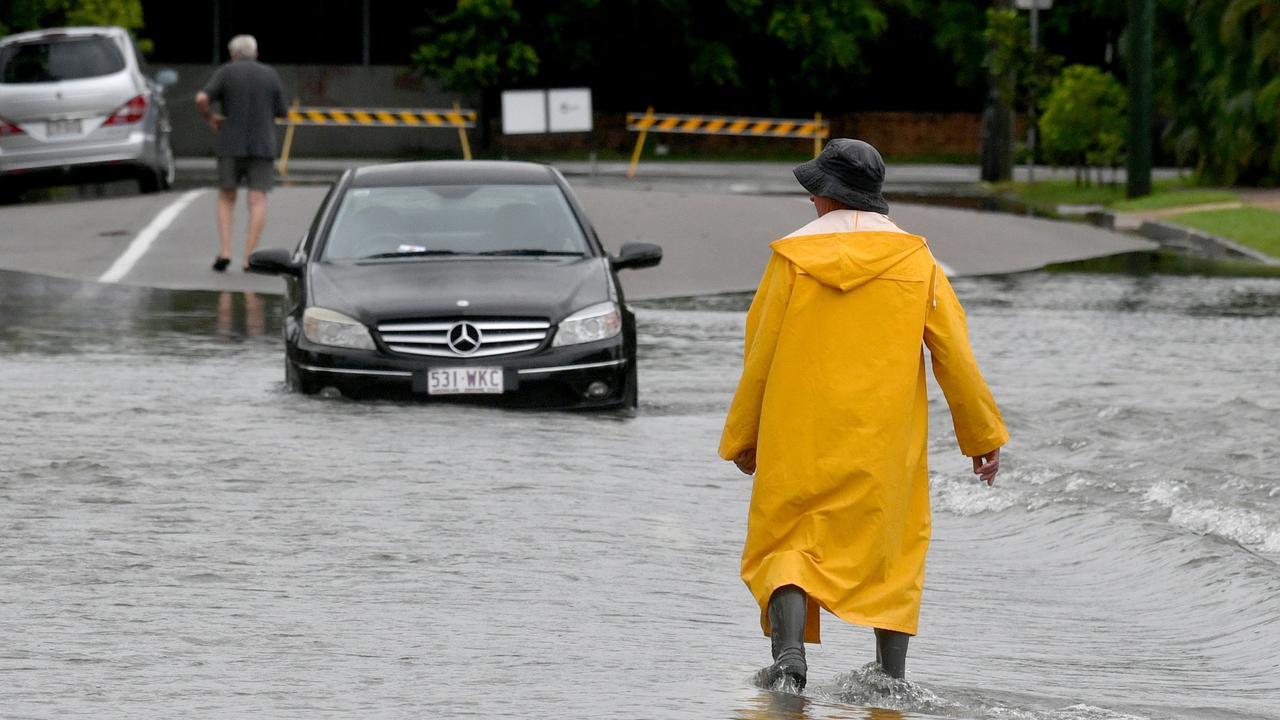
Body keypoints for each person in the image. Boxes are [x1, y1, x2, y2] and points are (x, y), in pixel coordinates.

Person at [719, 138, 1008, 690]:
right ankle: (890, 677)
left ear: (828, 197)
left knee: (788, 542)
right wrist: (981, 436)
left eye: (815, 194)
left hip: (799, 434)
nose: (811, 203)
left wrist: (744, 436)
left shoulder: (791, 259)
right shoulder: (917, 261)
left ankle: (789, 659)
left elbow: (760, 349)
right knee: (892, 549)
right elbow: (953, 352)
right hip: (885, 441)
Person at [194, 34, 287, 272]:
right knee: (257, 200)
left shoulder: (226, 72)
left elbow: (202, 98)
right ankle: (249, 258)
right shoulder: (270, 74)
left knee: (226, 197)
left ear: (233, 54)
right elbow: (282, 112)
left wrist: (210, 117)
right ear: (255, 53)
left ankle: (225, 251)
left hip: (230, 144)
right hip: (262, 145)